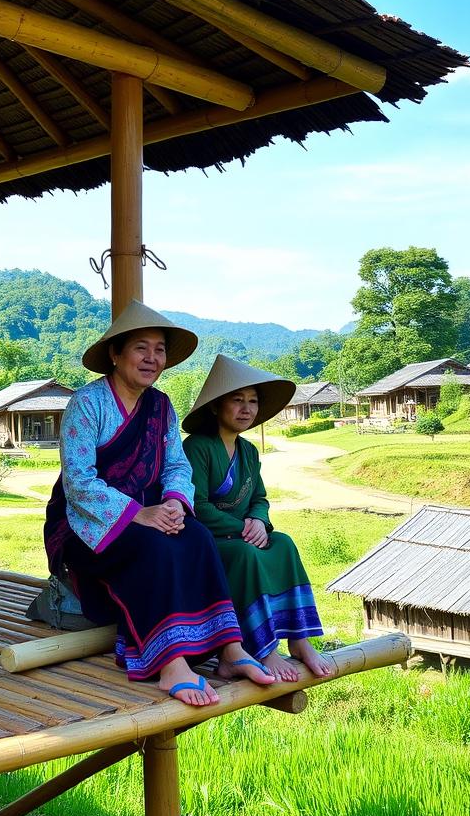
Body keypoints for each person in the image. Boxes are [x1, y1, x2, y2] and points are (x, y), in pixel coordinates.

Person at [43, 301, 275, 707]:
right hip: (88, 524)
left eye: (160, 349)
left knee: (197, 537)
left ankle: (230, 650)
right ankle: (171, 664)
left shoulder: (161, 405)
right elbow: (79, 482)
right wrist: (138, 514)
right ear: (115, 354)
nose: (152, 358)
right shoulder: (86, 403)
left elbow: (175, 465)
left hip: (152, 514)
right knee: (152, 549)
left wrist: (172, 503)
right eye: (140, 348)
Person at [182, 355, 331, 682]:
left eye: (252, 401)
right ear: (215, 407)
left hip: (245, 533)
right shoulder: (197, 447)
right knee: (248, 553)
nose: (246, 408)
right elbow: (196, 505)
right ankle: (262, 650)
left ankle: (300, 640)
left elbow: (259, 498)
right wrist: (242, 529)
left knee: (284, 544)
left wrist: (259, 522)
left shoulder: (248, 451)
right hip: (210, 541)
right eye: (237, 400)